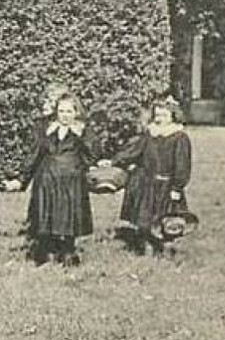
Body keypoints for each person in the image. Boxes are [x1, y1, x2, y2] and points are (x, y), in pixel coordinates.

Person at [104, 95, 192, 256]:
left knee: (165, 218)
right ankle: (145, 245)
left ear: (173, 115)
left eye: (164, 115)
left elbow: (182, 164)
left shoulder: (179, 137)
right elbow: (133, 152)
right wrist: (113, 161)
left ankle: (164, 248)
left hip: (166, 184)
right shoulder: (150, 134)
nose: (160, 119)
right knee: (144, 218)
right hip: (146, 183)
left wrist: (177, 187)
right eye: (157, 115)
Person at [21, 91, 97, 267]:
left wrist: (80, 136)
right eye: (61, 111)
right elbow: (34, 154)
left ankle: (68, 251)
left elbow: (93, 155)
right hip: (47, 179)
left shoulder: (83, 130)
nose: (65, 116)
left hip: (71, 180)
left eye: (69, 111)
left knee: (69, 216)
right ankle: (47, 251)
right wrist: (22, 179)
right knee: (47, 214)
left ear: (76, 112)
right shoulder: (47, 129)